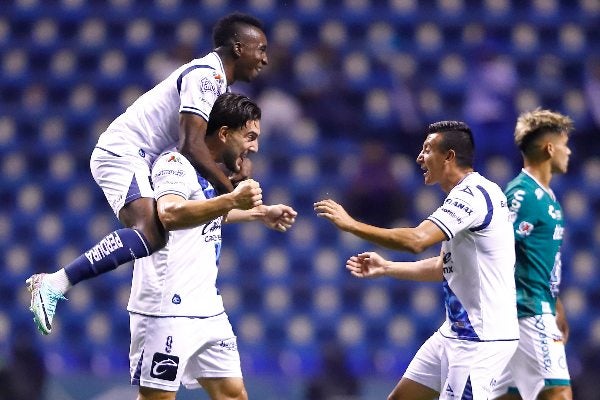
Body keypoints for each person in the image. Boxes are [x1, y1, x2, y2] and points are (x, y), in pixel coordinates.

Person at [26, 12, 269, 335]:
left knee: (157, 232)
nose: (265, 59)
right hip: (126, 152)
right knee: (151, 232)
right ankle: (55, 282)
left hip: (144, 158)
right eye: (261, 49)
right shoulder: (205, 76)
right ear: (238, 48)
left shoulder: (217, 84)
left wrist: (234, 166)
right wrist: (231, 192)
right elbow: (191, 145)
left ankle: (63, 283)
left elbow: (207, 144)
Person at [314, 121, 519, 400]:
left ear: (449, 156)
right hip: (454, 332)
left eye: (427, 149)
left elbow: (417, 240)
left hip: (480, 340)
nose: (420, 157)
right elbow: (443, 267)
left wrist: (352, 225)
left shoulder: (473, 196)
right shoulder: (466, 196)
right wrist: (387, 267)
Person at [128, 92, 296, 399]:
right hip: (167, 307)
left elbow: (205, 213)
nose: (255, 147)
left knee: (233, 394)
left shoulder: (209, 172)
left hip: (206, 306)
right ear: (224, 133)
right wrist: (231, 199)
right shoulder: (175, 163)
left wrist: (258, 213)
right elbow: (170, 213)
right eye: (250, 137)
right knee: (157, 397)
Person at [491, 109, 574, 400]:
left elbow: (534, 260)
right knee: (558, 392)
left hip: (535, 307)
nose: (568, 151)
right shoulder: (522, 194)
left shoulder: (545, 195)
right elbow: (496, 247)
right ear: (550, 148)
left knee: (509, 396)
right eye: (564, 145)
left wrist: (555, 304)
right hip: (527, 311)